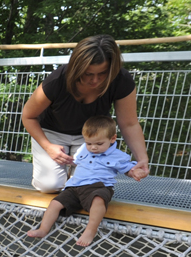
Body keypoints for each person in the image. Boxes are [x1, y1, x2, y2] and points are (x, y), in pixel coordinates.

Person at [22, 34, 150, 193]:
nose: (95, 80)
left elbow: (129, 123)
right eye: (88, 74)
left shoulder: (121, 80)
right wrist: (48, 147)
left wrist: (142, 158)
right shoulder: (57, 80)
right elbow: (28, 116)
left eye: (102, 73)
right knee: (50, 185)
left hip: (91, 138)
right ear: (77, 68)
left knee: (87, 186)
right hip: (51, 133)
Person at [26, 116, 137, 246]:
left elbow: (128, 169)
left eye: (99, 144)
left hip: (99, 187)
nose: (93, 147)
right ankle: (43, 229)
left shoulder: (118, 156)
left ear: (112, 138)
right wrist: (69, 159)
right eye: (89, 143)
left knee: (98, 201)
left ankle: (90, 230)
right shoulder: (84, 149)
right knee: (55, 203)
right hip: (75, 186)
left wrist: (135, 172)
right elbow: (77, 160)